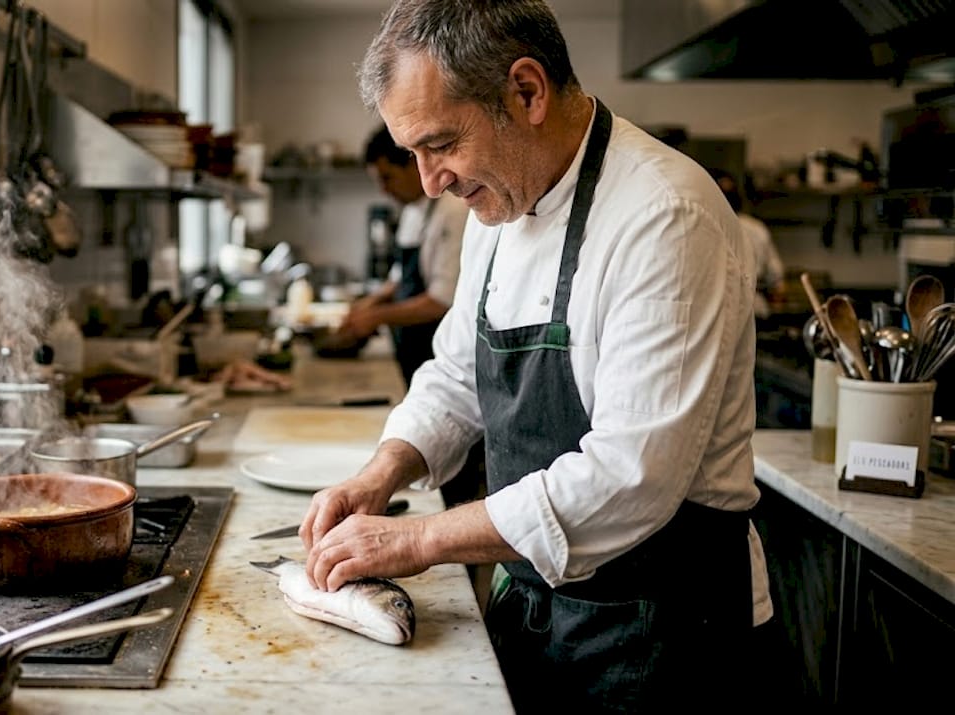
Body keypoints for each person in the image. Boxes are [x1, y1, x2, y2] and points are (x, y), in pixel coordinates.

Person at [299, 1, 773, 710]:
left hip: (665, 630)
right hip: (535, 604)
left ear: (526, 92)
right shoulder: (499, 207)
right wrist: (385, 468)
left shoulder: (666, 215)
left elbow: (629, 476)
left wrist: (420, 538)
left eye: (441, 144)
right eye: (414, 154)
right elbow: (458, 374)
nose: (431, 182)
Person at [339, 125, 468, 387]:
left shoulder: (454, 211)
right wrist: (367, 305)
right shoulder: (412, 211)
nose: (383, 191)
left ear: (413, 166)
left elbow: (442, 300)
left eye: (387, 178)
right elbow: (399, 277)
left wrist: (377, 316)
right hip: (409, 346)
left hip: (438, 349)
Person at [712, 168, 786, 319]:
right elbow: (778, 283)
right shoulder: (756, 227)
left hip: (720, 309)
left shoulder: (705, 226)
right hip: (753, 308)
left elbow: (777, 281)